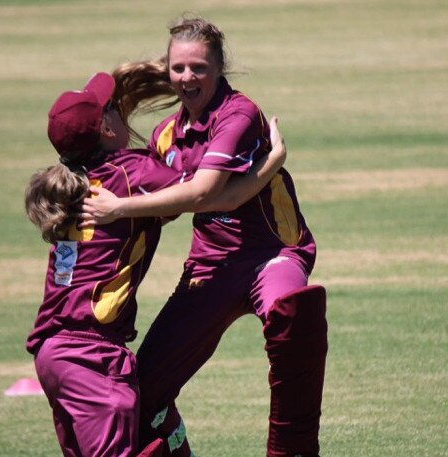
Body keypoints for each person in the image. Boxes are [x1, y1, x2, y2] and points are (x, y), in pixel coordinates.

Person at [81, 16, 328, 457]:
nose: (188, 77)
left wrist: (120, 207)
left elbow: (210, 194)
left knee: (293, 318)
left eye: (199, 68)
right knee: (144, 393)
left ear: (219, 70)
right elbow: (171, 206)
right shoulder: (164, 137)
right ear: (168, 71)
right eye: (179, 68)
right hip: (209, 268)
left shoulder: (239, 113)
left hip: (271, 255)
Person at [24, 71, 287, 457]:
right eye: (113, 108)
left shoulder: (70, 185)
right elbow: (209, 194)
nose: (121, 109)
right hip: (91, 355)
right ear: (107, 131)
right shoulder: (133, 174)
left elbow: (158, 214)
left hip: (52, 355)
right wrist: (271, 161)